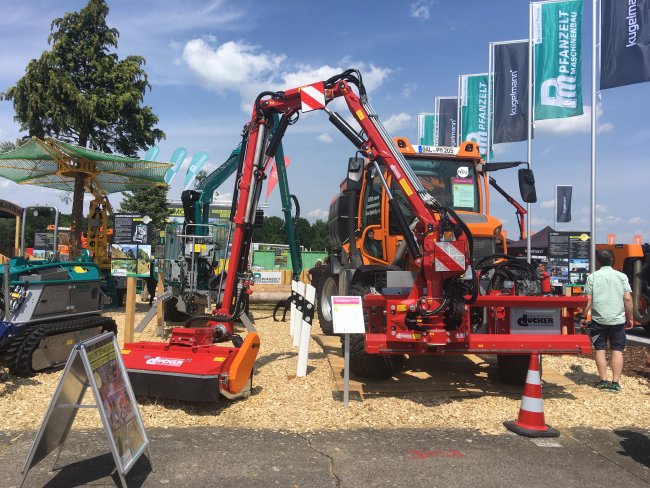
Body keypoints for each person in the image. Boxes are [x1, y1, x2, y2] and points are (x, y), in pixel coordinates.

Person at [583, 249, 634, 393]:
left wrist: (583, 315)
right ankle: (615, 382)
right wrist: (630, 317)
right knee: (617, 349)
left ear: (598, 262)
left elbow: (588, 299)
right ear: (613, 261)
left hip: (598, 319)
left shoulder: (592, 277)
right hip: (617, 319)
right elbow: (628, 298)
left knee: (600, 349)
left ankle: (603, 381)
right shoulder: (622, 276)